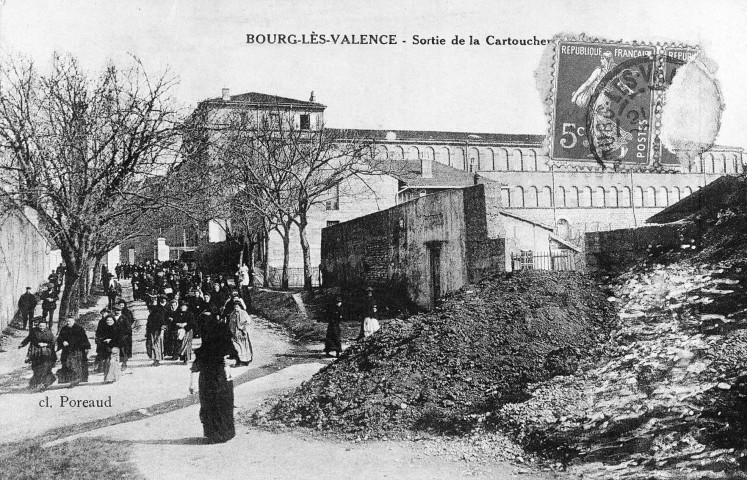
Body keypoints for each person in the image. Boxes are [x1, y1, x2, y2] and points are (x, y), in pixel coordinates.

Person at [189, 315, 238, 444]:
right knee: (213, 406)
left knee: (221, 405)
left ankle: (223, 433)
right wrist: (192, 383)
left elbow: (236, 359)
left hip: (220, 380)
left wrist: (230, 361)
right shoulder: (205, 348)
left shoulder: (226, 345)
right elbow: (196, 365)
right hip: (210, 380)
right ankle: (215, 434)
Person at [19, 319, 57, 390]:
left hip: (46, 353)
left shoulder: (49, 332)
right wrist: (22, 344)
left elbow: (53, 342)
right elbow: (28, 338)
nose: (42, 327)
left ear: (46, 326)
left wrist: (46, 344)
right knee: (36, 368)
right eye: (40, 326)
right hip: (35, 352)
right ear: (38, 325)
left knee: (45, 368)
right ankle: (35, 384)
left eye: (43, 326)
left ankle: (44, 384)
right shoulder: (34, 331)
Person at [56, 314, 90, 387]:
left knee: (75, 365)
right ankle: (69, 379)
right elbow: (60, 338)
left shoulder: (79, 328)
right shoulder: (64, 328)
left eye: (70, 321)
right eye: (67, 321)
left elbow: (84, 339)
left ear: (74, 321)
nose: (68, 322)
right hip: (67, 350)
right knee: (66, 364)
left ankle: (76, 380)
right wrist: (62, 342)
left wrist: (86, 347)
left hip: (77, 349)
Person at [226, 300, 253, 366]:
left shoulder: (244, 313)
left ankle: (247, 360)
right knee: (237, 347)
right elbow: (230, 324)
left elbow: (248, 322)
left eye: (237, 307)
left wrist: (243, 328)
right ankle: (239, 360)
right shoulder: (232, 314)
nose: (236, 308)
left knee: (245, 346)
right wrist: (232, 331)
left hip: (242, 333)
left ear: (240, 307)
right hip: (235, 334)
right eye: (235, 307)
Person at [97, 314, 123, 383]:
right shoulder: (104, 328)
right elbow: (99, 337)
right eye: (107, 320)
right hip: (106, 348)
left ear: (114, 321)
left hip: (115, 347)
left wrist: (111, 340)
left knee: (113, 362)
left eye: (110, 320)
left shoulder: (117, 328)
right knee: (107, 363)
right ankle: (108, 378)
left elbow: (120, 339)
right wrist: (103, 340)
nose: (109, 322)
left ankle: (112, 378)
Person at [146, 296, 169, 366]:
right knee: (150, 346)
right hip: (151, 332)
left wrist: (162, 332)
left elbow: (163, 323)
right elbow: (148, 325)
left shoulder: (159, 313)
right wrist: (147, 332)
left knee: (156, 346)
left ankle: (157, 360)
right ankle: (155, 359)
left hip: (157, 331)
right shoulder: (150, 316)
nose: (149, 310)